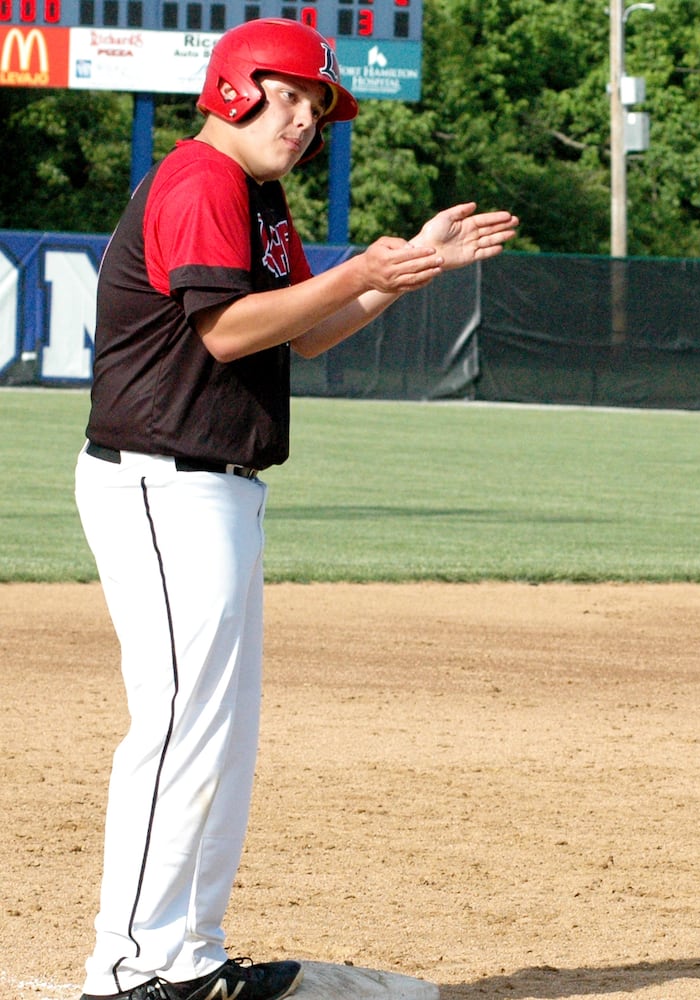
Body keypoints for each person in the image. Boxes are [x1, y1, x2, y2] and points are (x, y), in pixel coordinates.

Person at [73, 18, 518, 1000]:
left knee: (217, 733)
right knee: (182, 723)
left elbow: (301, 336)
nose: (305, 118)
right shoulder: (199, 181)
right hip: (161, 480)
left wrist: (407, 270)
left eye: (318, 107)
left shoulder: (255, 197)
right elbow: (227, 332)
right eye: (292, 95)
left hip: (211, 486)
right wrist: (361, 268)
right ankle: (132, 968)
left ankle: (186, 955)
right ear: (236, 84)